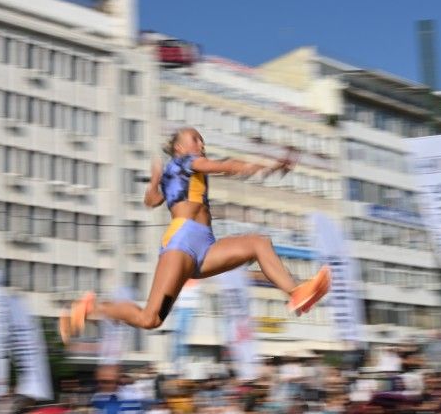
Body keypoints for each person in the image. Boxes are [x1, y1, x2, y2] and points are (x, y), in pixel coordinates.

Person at [61, 127, 330, 341]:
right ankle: (89, 309)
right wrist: (265, 166)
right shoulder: (185, 162)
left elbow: (151, 200)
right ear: (179, 148)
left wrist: (155, 180)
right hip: (182, 244)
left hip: (205, 247)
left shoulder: (174, 174)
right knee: (150, 319)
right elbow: (226, 166)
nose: (201, 144)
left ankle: (296, 292)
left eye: (202, 141)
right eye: (195, 139)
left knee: (259, 243)